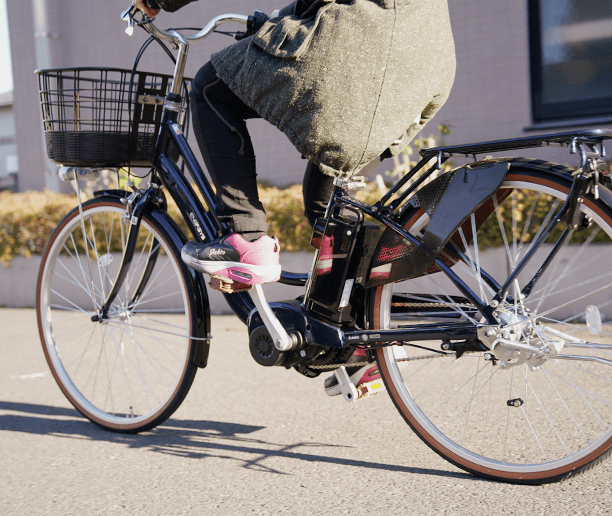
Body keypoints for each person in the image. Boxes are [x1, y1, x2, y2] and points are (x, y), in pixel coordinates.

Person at [134, 0, 455, 395]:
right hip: (424, 56)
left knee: (208, 89)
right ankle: (357, 339)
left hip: (362, 41)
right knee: (330, 196)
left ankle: (246, 238)